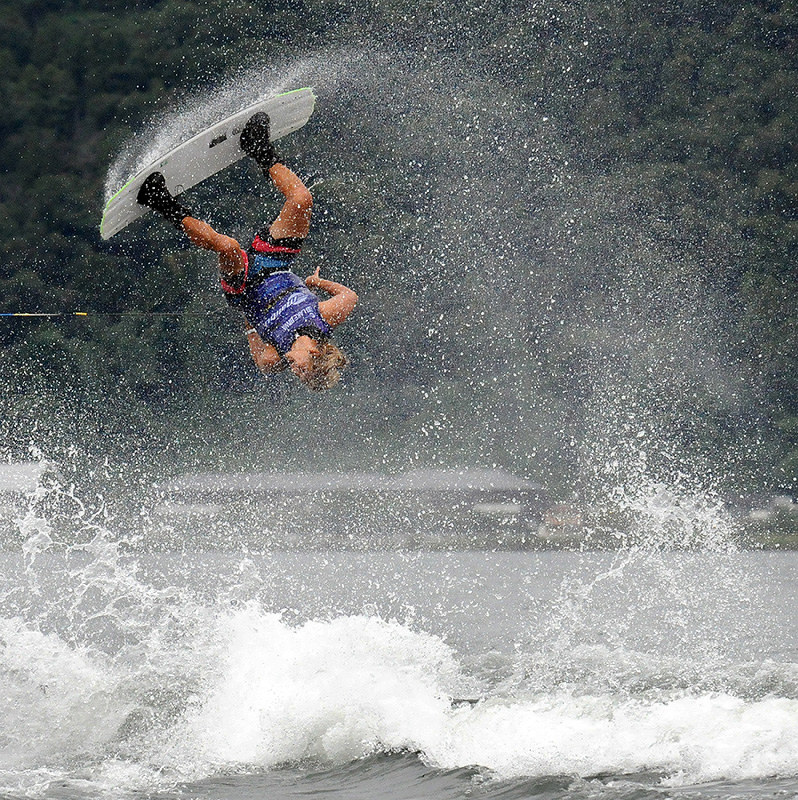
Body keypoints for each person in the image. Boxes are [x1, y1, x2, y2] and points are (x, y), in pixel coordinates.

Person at [135, 113, 358, 391]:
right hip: (275, 263)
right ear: (314, 354)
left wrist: (247, 314)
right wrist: (316, 283)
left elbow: (259, 355)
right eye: (301, 370)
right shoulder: (324, 318)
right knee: (302, 200)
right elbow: (349, 297)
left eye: (297, 376)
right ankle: (256, 145)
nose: (294, 371)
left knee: (227, 246)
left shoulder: (273, 357)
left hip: (245, 287)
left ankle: (160, 201)